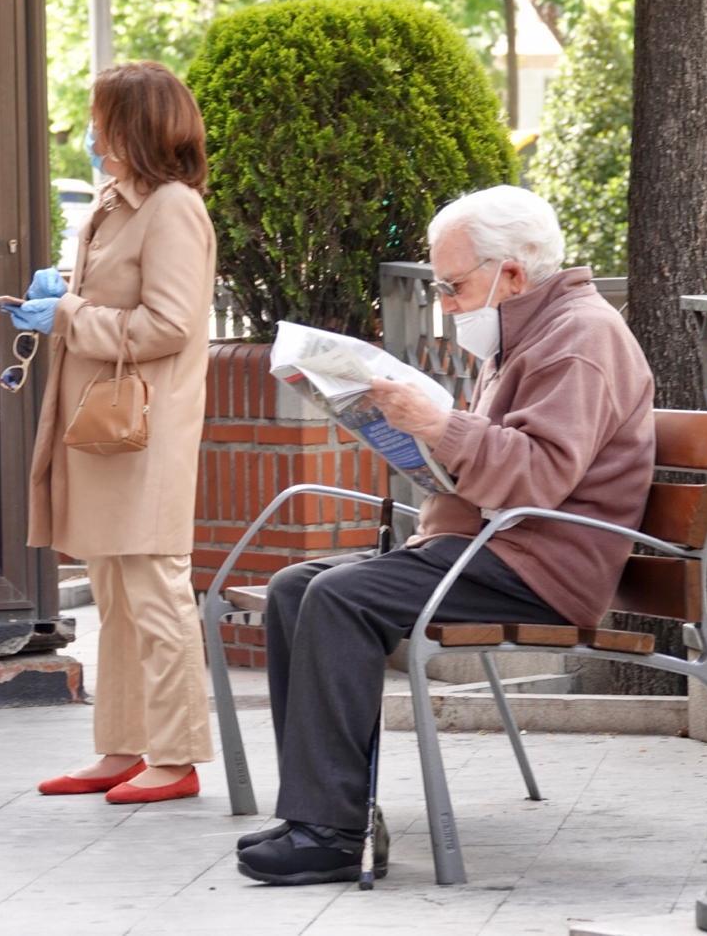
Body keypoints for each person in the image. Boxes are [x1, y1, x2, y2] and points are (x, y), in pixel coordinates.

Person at [236, 185, 656, 885]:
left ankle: (329, 832)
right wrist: (421, 447)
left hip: (542, 564)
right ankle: (321, 808)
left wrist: (437, 427)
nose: (448, 305)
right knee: (294, 587)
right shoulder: (534, 331)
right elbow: (501, 464)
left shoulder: (580, 339)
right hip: (501, 546)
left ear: (512, 274)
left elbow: (539, 475)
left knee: (341, 598)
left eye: (454, 287)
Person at [2, 62, 216, 804]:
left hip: (144, 433)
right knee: (115, 596)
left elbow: (169, 324)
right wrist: (66, 294)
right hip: (107, 431)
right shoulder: (116, 204)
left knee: (156, 593)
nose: (91, 131)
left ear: (132, 126)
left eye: (101, 117)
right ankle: (122, 746)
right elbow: (114, 303)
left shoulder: (173, 210)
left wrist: (65, 317)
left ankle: (177, 755)